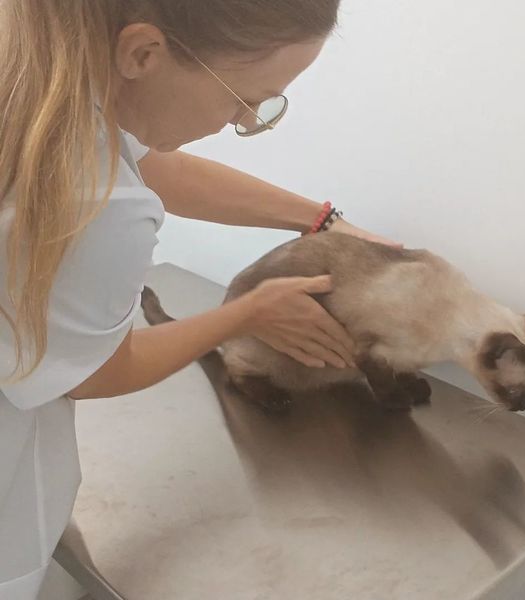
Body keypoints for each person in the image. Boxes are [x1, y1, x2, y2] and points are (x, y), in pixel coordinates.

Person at [0, 2, 399, 597]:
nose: (246, 121)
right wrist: (248, 313)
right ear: (143, 53)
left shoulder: (39, 66)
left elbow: (159, 167)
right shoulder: (100, 206)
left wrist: (322, 222)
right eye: (242, 102)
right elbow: (98, 374)